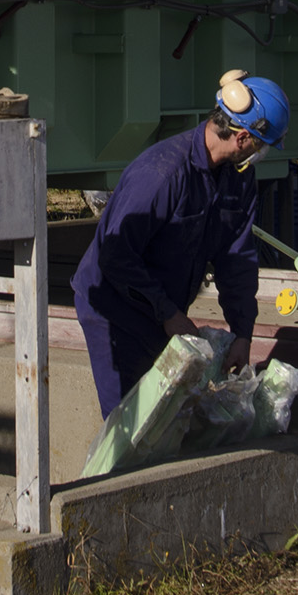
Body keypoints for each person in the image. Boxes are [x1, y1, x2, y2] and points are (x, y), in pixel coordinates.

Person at [69, 70, 286, 414]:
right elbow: (116, 254)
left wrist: (243, 333)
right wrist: (167, 312)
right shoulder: (162, 174)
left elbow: (238, 258)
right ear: (243, 137)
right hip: (113, 308)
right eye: (261, 145)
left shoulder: (238, 178)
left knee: (163, 419)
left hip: (162, 310)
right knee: (129, 422)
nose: (261, 153)